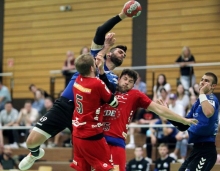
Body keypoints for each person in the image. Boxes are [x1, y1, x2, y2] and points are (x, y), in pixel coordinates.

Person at [18, 2, 134, 170]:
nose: (122, 54)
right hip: (64, 105)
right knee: (31, 142)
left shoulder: (114, 79)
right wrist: (122, 15)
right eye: (119, 51)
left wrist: (101, 70)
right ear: (109, 52)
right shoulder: (93, 56)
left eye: (124, 55)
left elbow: (108, 94)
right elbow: (100, 31)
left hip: (84, 117)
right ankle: (35, 153)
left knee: (87, 162)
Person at [100, 69, 197, 171]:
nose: (126, 82)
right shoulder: (107, 89)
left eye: (131, 81)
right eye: (125, 79)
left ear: (133, 85)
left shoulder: (135, 95)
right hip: (98, 140)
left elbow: (159, 109)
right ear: (119, 79)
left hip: (116, 143)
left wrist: (183, 120)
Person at [159, 72, 219, 171]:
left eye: (206, 81)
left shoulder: (212, 99)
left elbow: (208, 112)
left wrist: (202, 93)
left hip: (206, 151)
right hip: (196, 149)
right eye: (202, 80)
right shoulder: (198, 102)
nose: (202, 82)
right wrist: (168, 113)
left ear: (213, 86)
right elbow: (184, 124)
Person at [70, 53, 118, 171]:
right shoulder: (97, 84)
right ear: (92, 68)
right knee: (108, 168)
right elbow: (114, 103)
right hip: (92, 134)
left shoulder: (77, 80)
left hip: (77, 134)